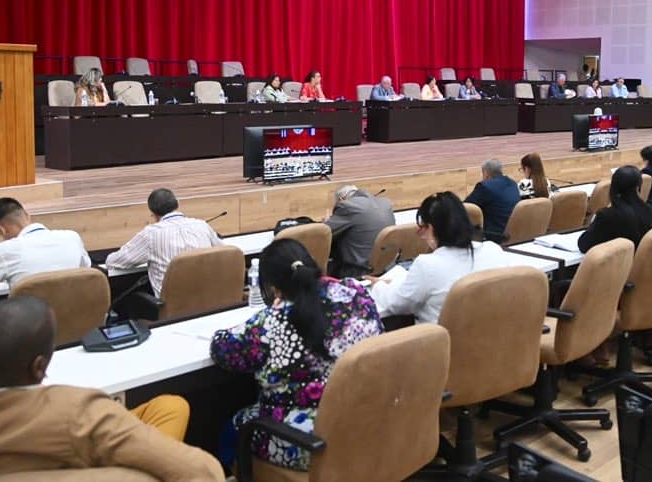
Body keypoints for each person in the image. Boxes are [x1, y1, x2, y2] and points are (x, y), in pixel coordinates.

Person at [0, 297, 224, 482]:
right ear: (39, 366)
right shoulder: (78, 414)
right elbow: (204, 472)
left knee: (170, 405)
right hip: (84, 452)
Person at [210, 240, 382, 471]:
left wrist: (271, 311)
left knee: (230, 431)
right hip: (364, 420)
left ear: (272, 289)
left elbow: (222, 350)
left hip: (306, 440)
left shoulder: (273, 320)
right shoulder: (356, 294)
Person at [367, 192, 509, 324]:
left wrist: (378, 286)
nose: (420, 234)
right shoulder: (493, 250)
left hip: (440, 346)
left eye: (423, 227)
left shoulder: (426, 264)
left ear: (433, 228)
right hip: (486, 339)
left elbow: (396, 304)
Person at [0, 198, 90, 305]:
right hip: (74, 326)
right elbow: (87, 272)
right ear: (28, 216)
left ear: (2, 230)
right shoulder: (72, 237)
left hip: (29, 330)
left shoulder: (6, 250)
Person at [104, 188, 223, 297]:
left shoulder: (151, 234)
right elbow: (223, 251)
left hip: (174, 309)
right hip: (209, 301)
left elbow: (114, 262)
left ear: (153, 214)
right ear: (177, 204)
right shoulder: (202, 225)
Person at [578, 166, 652, 253]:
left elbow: (584, 245)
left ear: (613, 187)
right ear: (638, 187)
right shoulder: (651, 212)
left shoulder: (607, 215)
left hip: (616, 264)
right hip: (641, 264)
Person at [324, 185, 396, 277]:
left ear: (341, 199)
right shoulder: (385, 203)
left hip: (358, 271)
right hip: (388, 268)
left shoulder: (347, 206)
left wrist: (326, 222)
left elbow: (324, 234)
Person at [464, 158, 520, 241]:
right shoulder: (512, 183)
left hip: (494, 236)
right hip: (514, 233)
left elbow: (466, 206)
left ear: (486, 173)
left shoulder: (485, 187)